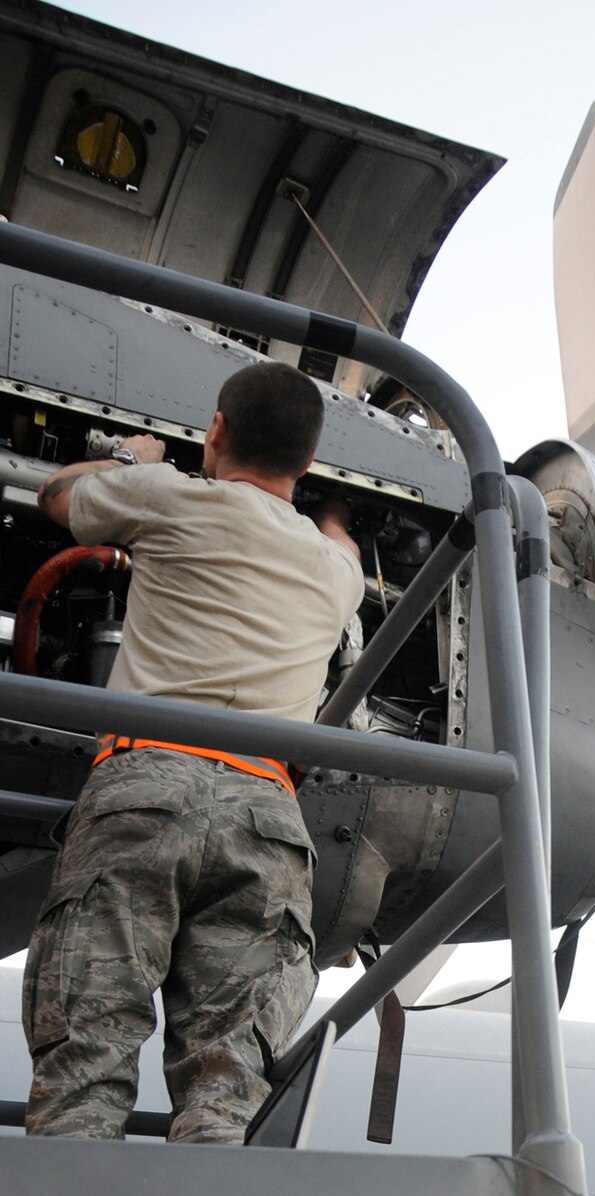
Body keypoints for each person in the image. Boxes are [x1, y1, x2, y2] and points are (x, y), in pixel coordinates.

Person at [23, 361, 364, 1142]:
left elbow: (56, 495)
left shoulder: (167, 495)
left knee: (84, 1068)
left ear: (215, 429)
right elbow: (342, 540)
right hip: (266, 815)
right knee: (227, 1094)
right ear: (307, 461)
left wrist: (129, 458)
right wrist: (335, 515)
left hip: (147, 786)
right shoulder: (335, 567)